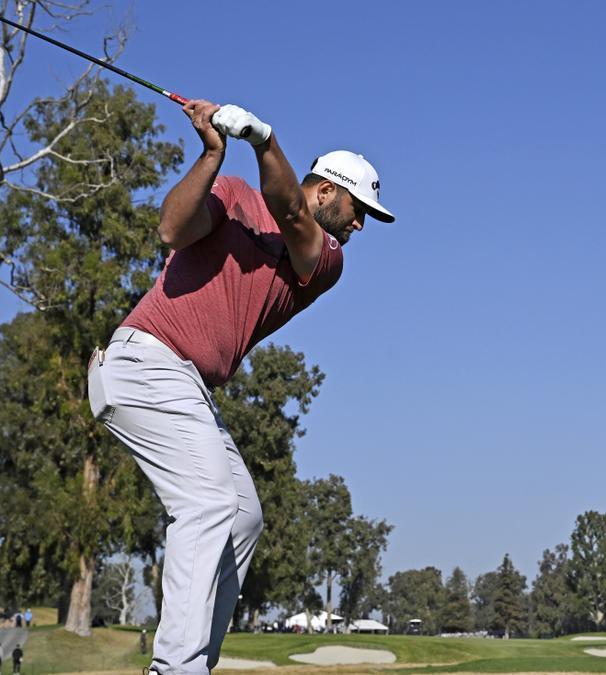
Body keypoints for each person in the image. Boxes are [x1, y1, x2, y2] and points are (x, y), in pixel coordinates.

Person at [88, 98, 393, 675]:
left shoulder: (323, 259)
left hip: (185, 385)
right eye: (358, 209)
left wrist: (265, 139)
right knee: (208, 502)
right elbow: (172, 227)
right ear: (326, 189)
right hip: (144, 361)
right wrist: (211, 154)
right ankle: (175, 667)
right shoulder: (233, 194)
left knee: (243, 517)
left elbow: (291, 216)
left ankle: (197, 659)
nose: (359, 225)